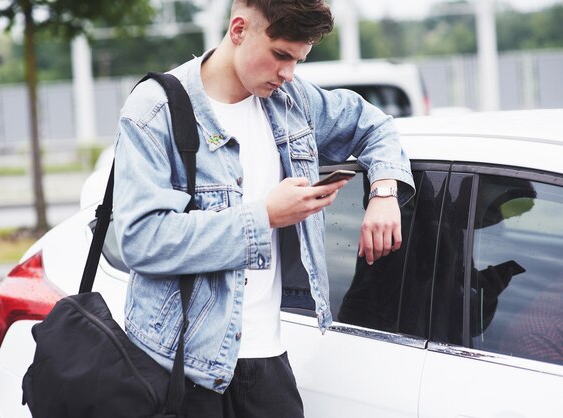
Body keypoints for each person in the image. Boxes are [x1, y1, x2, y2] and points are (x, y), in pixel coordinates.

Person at [113, 0, 415, 416]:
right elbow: (142, 239)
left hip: (267, 360)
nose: (288, 73)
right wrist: (266, 217)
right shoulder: (156, 109)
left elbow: (375, 126)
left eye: (298, 60)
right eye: (280, 55)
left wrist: (384, 194)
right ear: (239, 30)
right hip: (179, 368)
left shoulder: (291, 102)